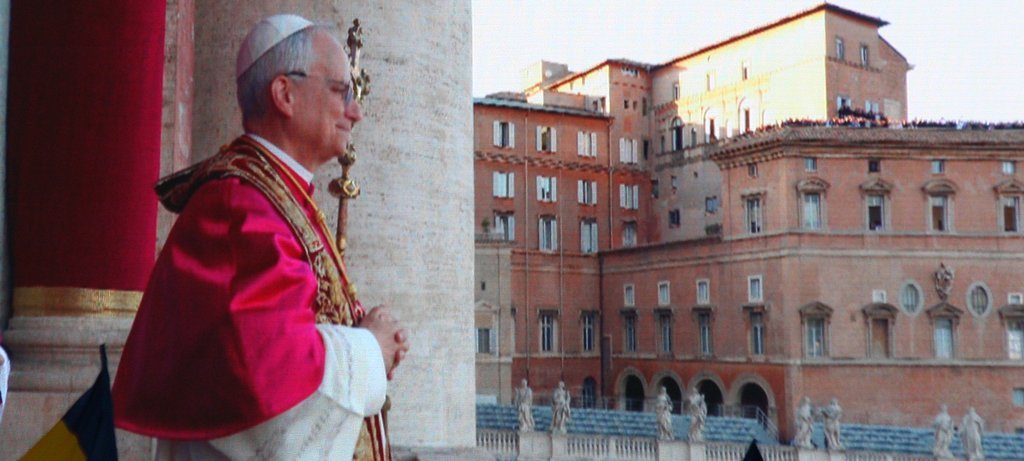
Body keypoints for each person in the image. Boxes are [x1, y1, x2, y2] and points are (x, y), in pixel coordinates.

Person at [112, 14, 409, 461]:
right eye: (341, 91)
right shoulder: (241, 206)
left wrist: (369, 334)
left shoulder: (276, 193)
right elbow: (268, 378)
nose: (356, 112)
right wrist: (370, 350)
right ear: (285, 94)